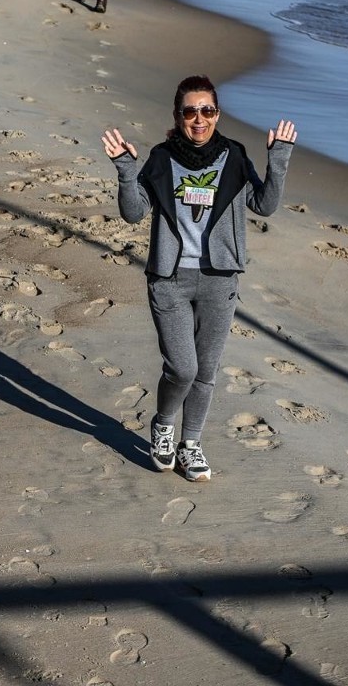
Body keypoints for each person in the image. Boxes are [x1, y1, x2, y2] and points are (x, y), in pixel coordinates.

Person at [102, 75, 296, 482]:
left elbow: (264, 204)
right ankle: (164, 425)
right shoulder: (160, 158)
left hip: (218, 280)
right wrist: (125, 169)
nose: (199, 119)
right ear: (178, 115)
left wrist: (278, 159)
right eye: (190, 111)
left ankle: (191, 445)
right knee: (183, 369)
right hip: (170, 280)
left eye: (207, 110)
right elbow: (134, 212)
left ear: (217, 114)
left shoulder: (235, 156)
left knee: (206, 372)